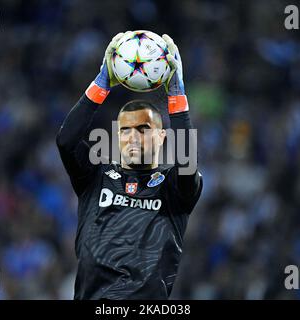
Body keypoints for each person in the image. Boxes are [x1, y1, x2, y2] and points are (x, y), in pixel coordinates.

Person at [56, 32, 202, 299]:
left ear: (162, 137)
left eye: (143, 129)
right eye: (125, 130)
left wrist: (176, 91)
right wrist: (103, 82)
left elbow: (187, 163)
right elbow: (66, 141)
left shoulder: (173, 187)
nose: (133, 136)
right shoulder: (96, 176)